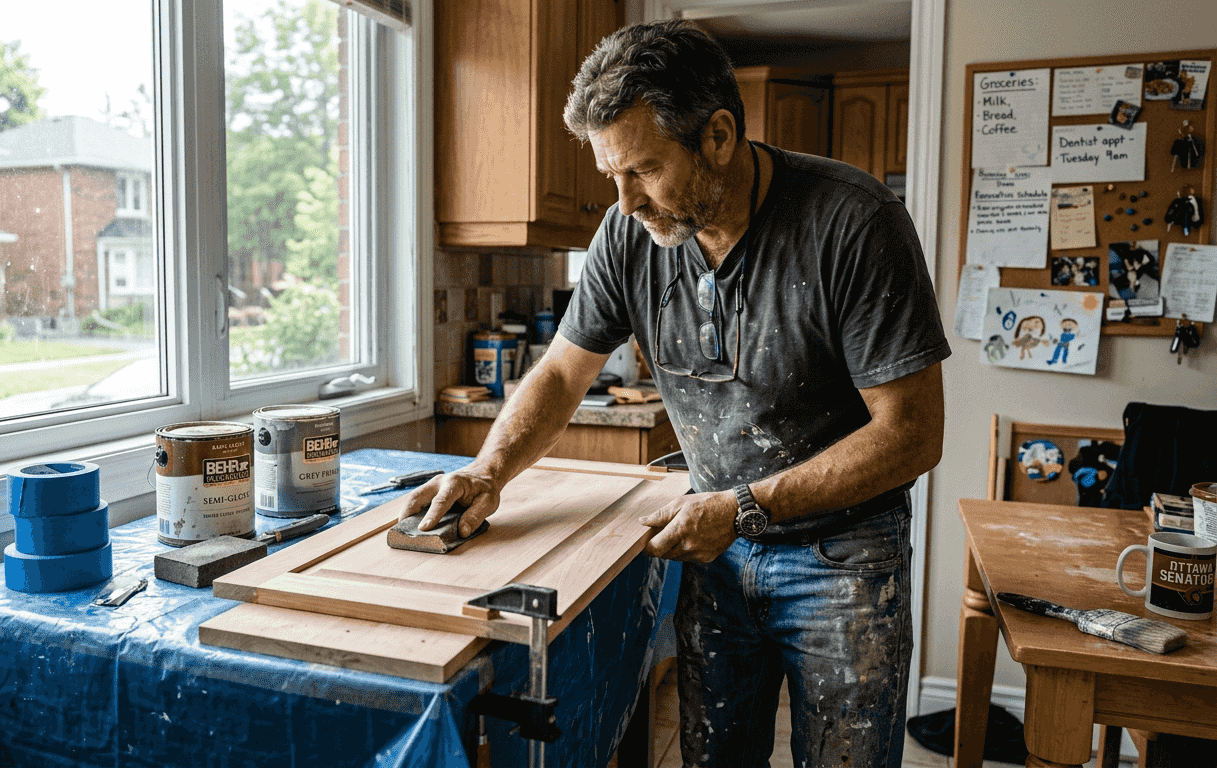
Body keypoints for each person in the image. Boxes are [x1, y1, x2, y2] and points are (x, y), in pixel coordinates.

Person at [402, 19, 949, 768]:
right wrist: (488, 470)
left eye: (644, 170)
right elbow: (564, 372)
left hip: (843, 553)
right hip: (716, 546)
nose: (624, 202)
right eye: (610, 177)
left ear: (718, 136)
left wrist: (747, 507)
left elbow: (912, 433)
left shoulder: (853, 222)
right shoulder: (629, 233)